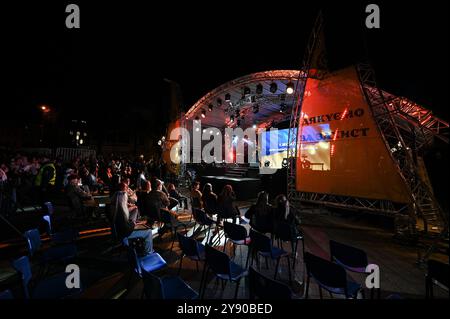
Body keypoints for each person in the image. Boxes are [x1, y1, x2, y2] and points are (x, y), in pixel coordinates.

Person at [111, 182, 153, 255]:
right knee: (148, 231)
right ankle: (148, 253)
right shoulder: (121, 213)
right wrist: (133, 224)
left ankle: (141, 246)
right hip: (124, 234)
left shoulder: (114, 207)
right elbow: (126, 228)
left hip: (119, 232)